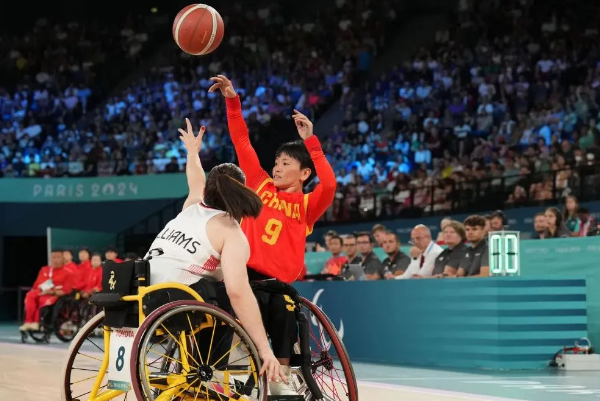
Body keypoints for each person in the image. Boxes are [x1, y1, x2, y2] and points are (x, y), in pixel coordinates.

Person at [210, 75, 336, 394]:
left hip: (278, 285)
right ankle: (212, 372)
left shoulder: (307, 205)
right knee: (225, 305)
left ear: (304, 173)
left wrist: (312, 143)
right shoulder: (260, 183)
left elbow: (331, 185)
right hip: (244, 275)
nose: (277, 168)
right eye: (276, 162)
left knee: (283, 310)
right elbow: (242, 141)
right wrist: (232, 100)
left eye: (285, 163)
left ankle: (280, 378)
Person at [143, 120, 285, 385]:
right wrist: (265, 350)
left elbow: (195, 180)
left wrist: (193, 153)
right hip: (174, 302)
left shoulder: (192, 205)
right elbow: (238, 292)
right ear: (241, 193)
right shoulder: (231, 231)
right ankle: (214, 371)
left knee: (211, 285)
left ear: (209, 190)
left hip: (141, 297)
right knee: (234, 297)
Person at [20, 249, 74, 331]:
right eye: (53, 257)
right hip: (41, 291)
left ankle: (37, 322)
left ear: (63, 259)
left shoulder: (68, 273)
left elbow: (66, 291)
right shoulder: (44, 270)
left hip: (54, 294)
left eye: (58, 257)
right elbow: (36, 285)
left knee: (43, 300)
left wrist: (51, 292)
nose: (55, 260)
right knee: (29, 295)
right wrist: (40, 291)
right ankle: (28, 322)